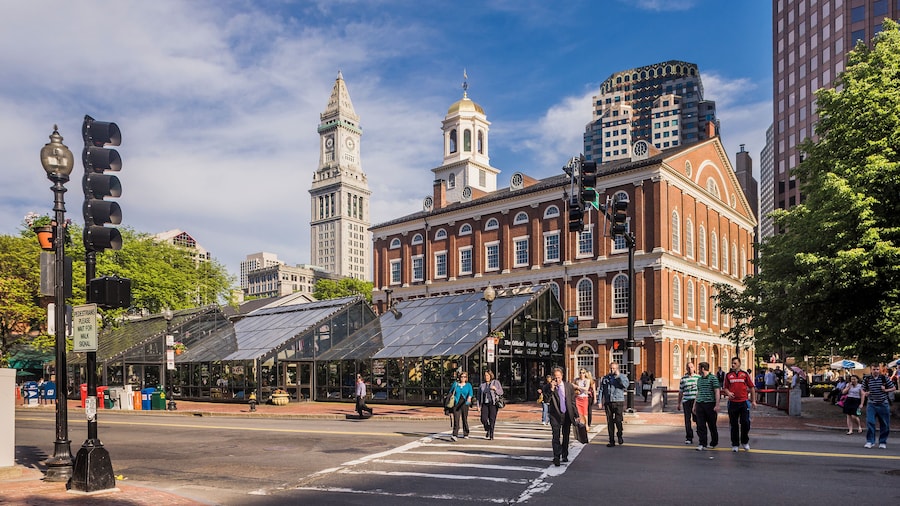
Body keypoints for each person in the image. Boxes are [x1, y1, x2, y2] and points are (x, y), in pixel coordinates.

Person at [547, 366, 580, 466]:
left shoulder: (569, 386)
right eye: (555, 377)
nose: (557, 379)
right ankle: (556, 456)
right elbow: (546, 400)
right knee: (556, 436)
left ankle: (565, 454)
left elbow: (572, 402)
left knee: (566, 436)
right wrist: (551, 389)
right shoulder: (548, 387)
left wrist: (576, 415)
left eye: (559, 377)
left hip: (566, 414)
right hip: (555, 415)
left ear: (562, 376)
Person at [723, 356, 756, 452]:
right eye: (732, 363)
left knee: (745, 422)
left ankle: (745, 441)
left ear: (739, 364)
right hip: (733, 403)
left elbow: (752, 387)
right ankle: (735, 444)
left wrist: (753, 401)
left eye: (735, 363)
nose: (733, 365)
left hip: (743, 402)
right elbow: (725, 387)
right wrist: (728, 393)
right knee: (733, 424)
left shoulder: (744, 374)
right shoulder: (728, 375)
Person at [862, 365, 896, 449]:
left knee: (884, 423)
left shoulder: (884, 378)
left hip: (883, 403)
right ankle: (870, 441)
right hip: (871, 403)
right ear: (871, 370)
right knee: (870, 422)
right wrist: (865, 393)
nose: (876, 371)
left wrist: (885, 390)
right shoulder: (867, 379)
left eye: (877, 369)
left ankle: (882, 441)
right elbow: (863, 389)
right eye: (874, 369)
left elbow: (893, 388)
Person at [693, 361, 721, 451]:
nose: (698, 370)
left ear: (702, 368)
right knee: (700, 425)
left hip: (710, 403)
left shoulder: (713, 378)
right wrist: (694, 405)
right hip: (700, 403)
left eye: (699, 368)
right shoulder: (699, 379)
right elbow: (698, 392)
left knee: (712, 425)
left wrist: (717, 404)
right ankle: (702, 443)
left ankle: (714, 442)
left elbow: (717, 391)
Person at [599, 362, 628, 447]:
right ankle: (611, 441)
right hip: (608, 402)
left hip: (618, 401)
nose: (612, 370)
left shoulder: (622, 377)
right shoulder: (605, 378)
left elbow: (625, 385)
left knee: (618, 420)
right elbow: (601, 390)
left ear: (617, 369)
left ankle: (619, 434)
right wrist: (599, 401)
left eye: (614, 368)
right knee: (610, 421)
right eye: (611, 368)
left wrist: (618, 376)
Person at [677, 361, 700, 445]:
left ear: (694, 368)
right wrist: (678, 403)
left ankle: (701, 435)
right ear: (686, 368)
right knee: (687, 420)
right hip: (686, 400)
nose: (690, 369)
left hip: (695, 401)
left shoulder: (698, 378)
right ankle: (689, 437)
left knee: (697, 419)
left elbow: (700, 390)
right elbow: (680, 392)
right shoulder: (683, 379)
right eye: (688, 367)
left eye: (691, 367)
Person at [447, 372, 474, 442]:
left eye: (464, 377)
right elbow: (450, 392)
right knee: (456, 419)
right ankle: (455, 434)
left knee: (464, 418)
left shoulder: (468, 385)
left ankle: (466, 433)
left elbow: (471, 393)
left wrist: (469, 398)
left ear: (466, 378)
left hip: (464, 403)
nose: (463, 378)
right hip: (456, 403)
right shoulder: (455, 384)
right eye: (462, 377)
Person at [478, 370, 503, 440]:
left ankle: (491, 434)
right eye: (485, 375)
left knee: (492, 419)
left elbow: (501, 392)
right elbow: (479, 396)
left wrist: (495, 389)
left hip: (493, 403)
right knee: (483, 419)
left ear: (490, 376)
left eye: (487, 375)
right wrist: (478, 406)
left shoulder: (496, 382)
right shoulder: (482, 385)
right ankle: (487, 428)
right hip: (485, 404)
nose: (486, 377)